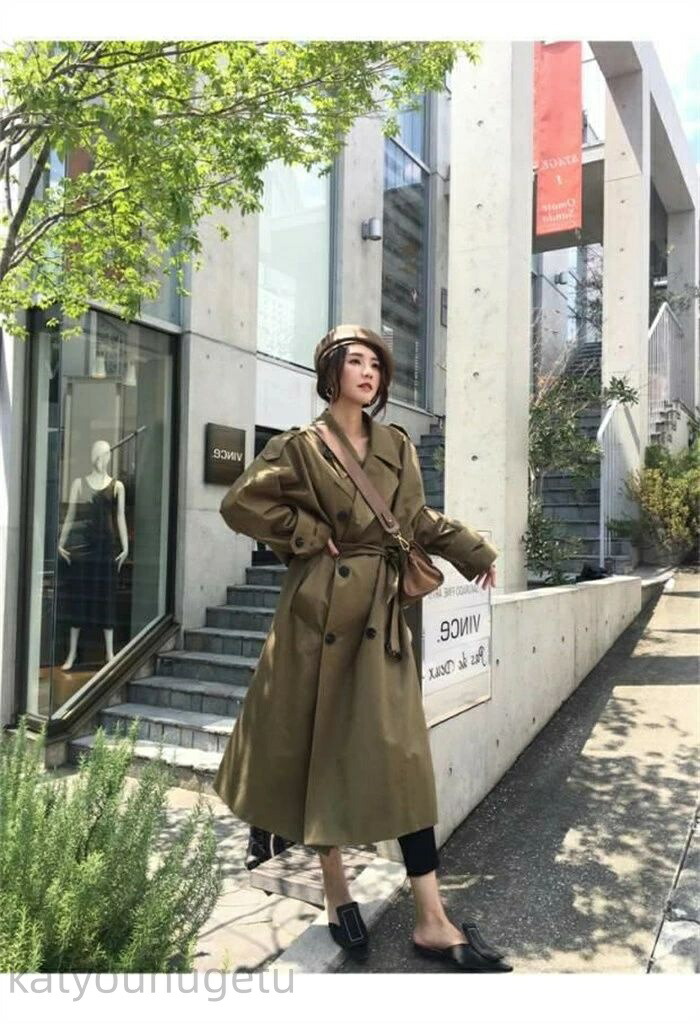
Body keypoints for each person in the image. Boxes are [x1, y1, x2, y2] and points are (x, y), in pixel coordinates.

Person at [213, 325, 511, 972]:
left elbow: (416, 521)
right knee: (318, 746)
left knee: (402, 758)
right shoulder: (299, 447)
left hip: (379, 615)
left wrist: (471, 551)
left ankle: (432, 917)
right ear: (331, 372)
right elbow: (240, 503)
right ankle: (335, 886)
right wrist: (304, 530)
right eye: (356, 360)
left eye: (376, 362)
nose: (369, 371)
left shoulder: (397, 444)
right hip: (316, 616)